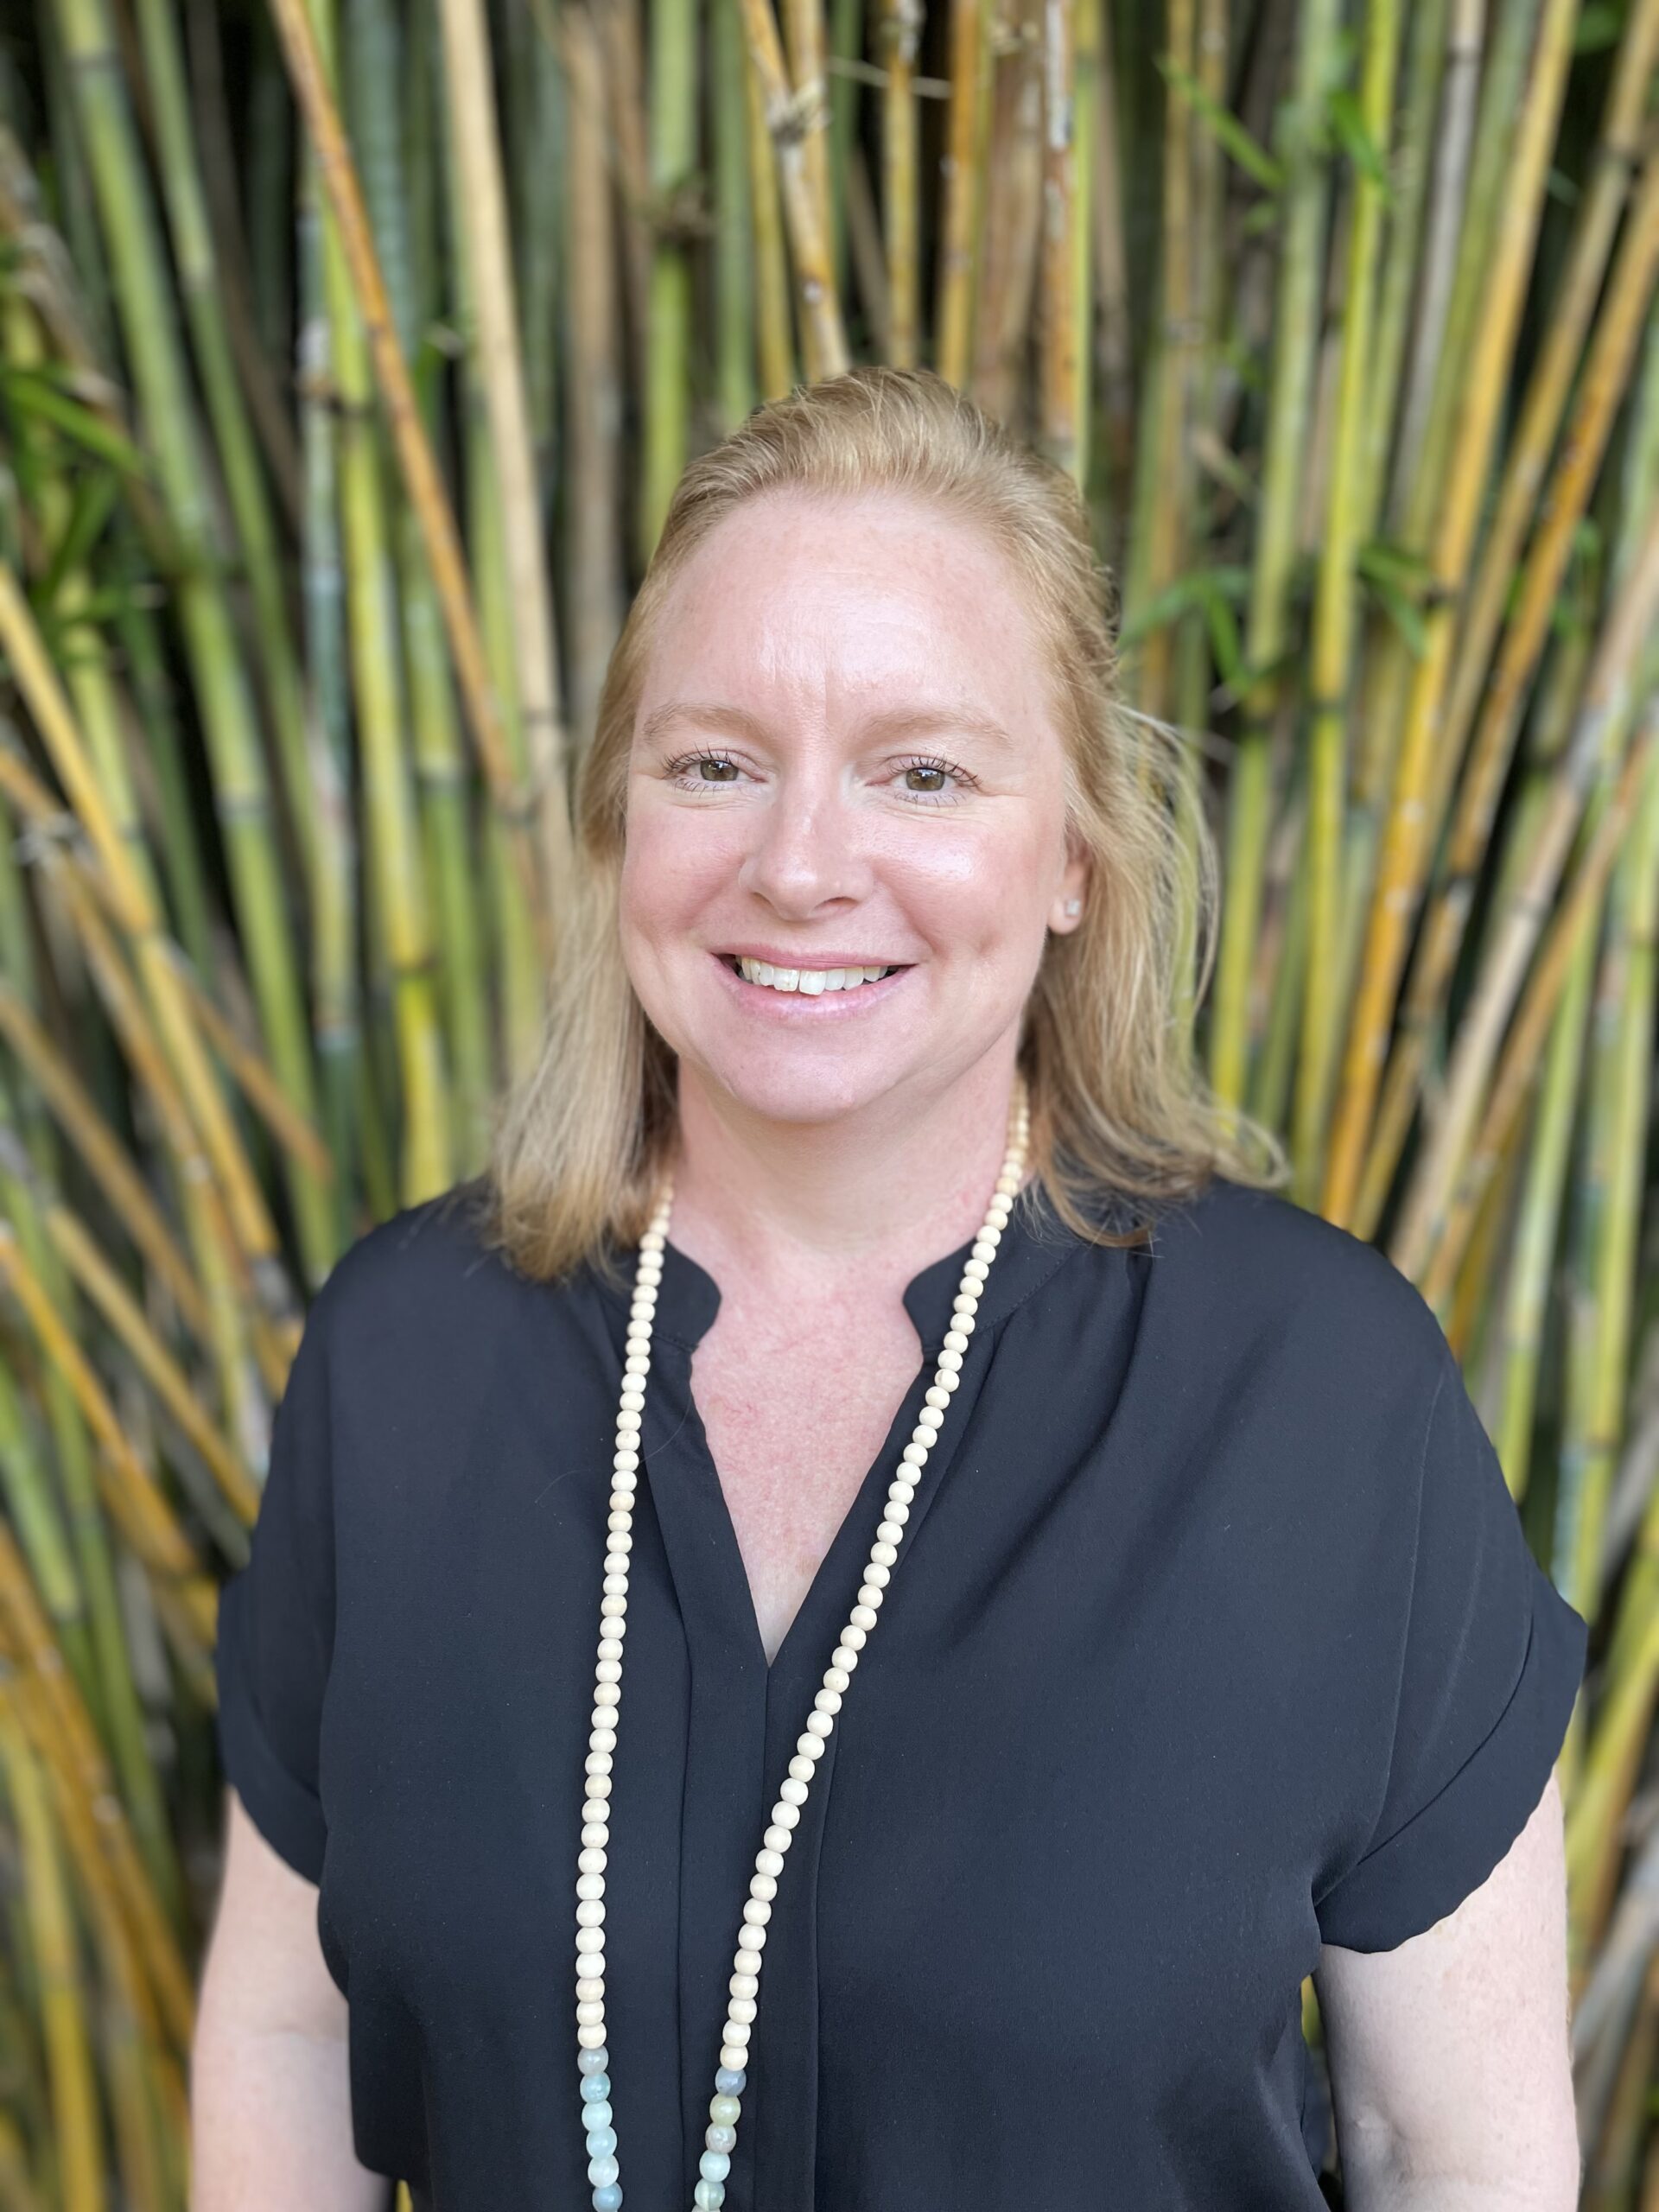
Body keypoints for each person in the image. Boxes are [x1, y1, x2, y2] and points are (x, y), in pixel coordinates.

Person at [190, 366, 1588, 2211]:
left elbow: (1453, 2149)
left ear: (1075, 852)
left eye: (921, 770)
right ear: (620, 817)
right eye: (715, 761)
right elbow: (290, 2030)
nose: (798, 863)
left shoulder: (1320, 1397)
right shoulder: (408, 1361)